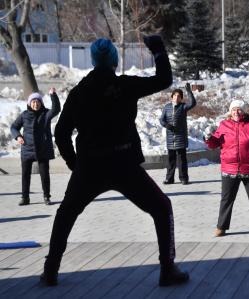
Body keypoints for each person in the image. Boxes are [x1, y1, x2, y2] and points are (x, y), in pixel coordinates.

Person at [40, 37, 189, 287]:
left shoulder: (79, 92)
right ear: (114, 60)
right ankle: (167, 268)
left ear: (93, 60)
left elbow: (61, 134)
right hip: (124, 164)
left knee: (65, 214)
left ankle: (50, 270)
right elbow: (164, 80)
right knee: (162, 208)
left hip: (90, 166)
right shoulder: (125, 86)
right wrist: (159, 51)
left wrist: (74, 164)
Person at [205, 100, 249, 238]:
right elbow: (214, 143)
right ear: (230, 111)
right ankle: (221, 227)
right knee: (226, 199)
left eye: (239, 109)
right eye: (234, 109)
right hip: (229, 169)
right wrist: (208, 138)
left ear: (244, 111)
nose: (236, 112)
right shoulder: (224, 125)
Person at [10, 89, 61, 206]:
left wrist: (53, 96)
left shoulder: (46, 114)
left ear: (41, 103)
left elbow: (56, 109)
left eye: (37, 102)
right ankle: (25, 197)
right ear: (29, 103)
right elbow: (13, 127)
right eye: (33, 102)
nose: (35, 104)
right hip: (27, 149)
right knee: (25, 175)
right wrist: (18, 136)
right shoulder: (24, 115)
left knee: (44, 175)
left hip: (42, 149)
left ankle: (46, 197)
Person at [160, 83, 196, 185]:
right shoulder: (166, 107)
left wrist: (189, 92)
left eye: (179, 96)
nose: (177, 98)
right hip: (170, 139)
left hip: (180, 138)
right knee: (171, 160)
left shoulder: (183, 107)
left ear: (181, 98)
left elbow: (193, 103)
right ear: (172, 97)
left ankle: (184, 178)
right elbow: (161, 120)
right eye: (175, 95)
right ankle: (169, 178)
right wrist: (166, 125)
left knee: (182, 160)